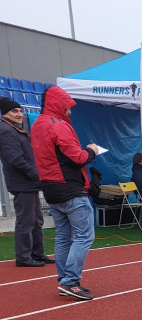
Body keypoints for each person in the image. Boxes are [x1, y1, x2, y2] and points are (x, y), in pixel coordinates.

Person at [29, 85, 98, 301]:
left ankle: (65, 280)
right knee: (84, 235)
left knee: (63, 237)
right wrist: (92, 151)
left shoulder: (38, 124)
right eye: (67, 107)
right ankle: (69, 281)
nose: (70, 111)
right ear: (59, 105)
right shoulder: (56, 125)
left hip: (51, 187)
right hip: (69, 187)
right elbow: (78, 157)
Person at [0, 96, 52, 266]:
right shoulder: (6, 130)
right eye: (15, 111)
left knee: (36, 219)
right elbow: (16, 159)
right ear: (5, 113)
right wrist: (36, 175)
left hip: (28, 183)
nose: (19, 114)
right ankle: (23, 257)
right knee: (26, 220)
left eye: (21, 110)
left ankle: (37, 253)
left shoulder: (13, 128)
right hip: (23, 183)